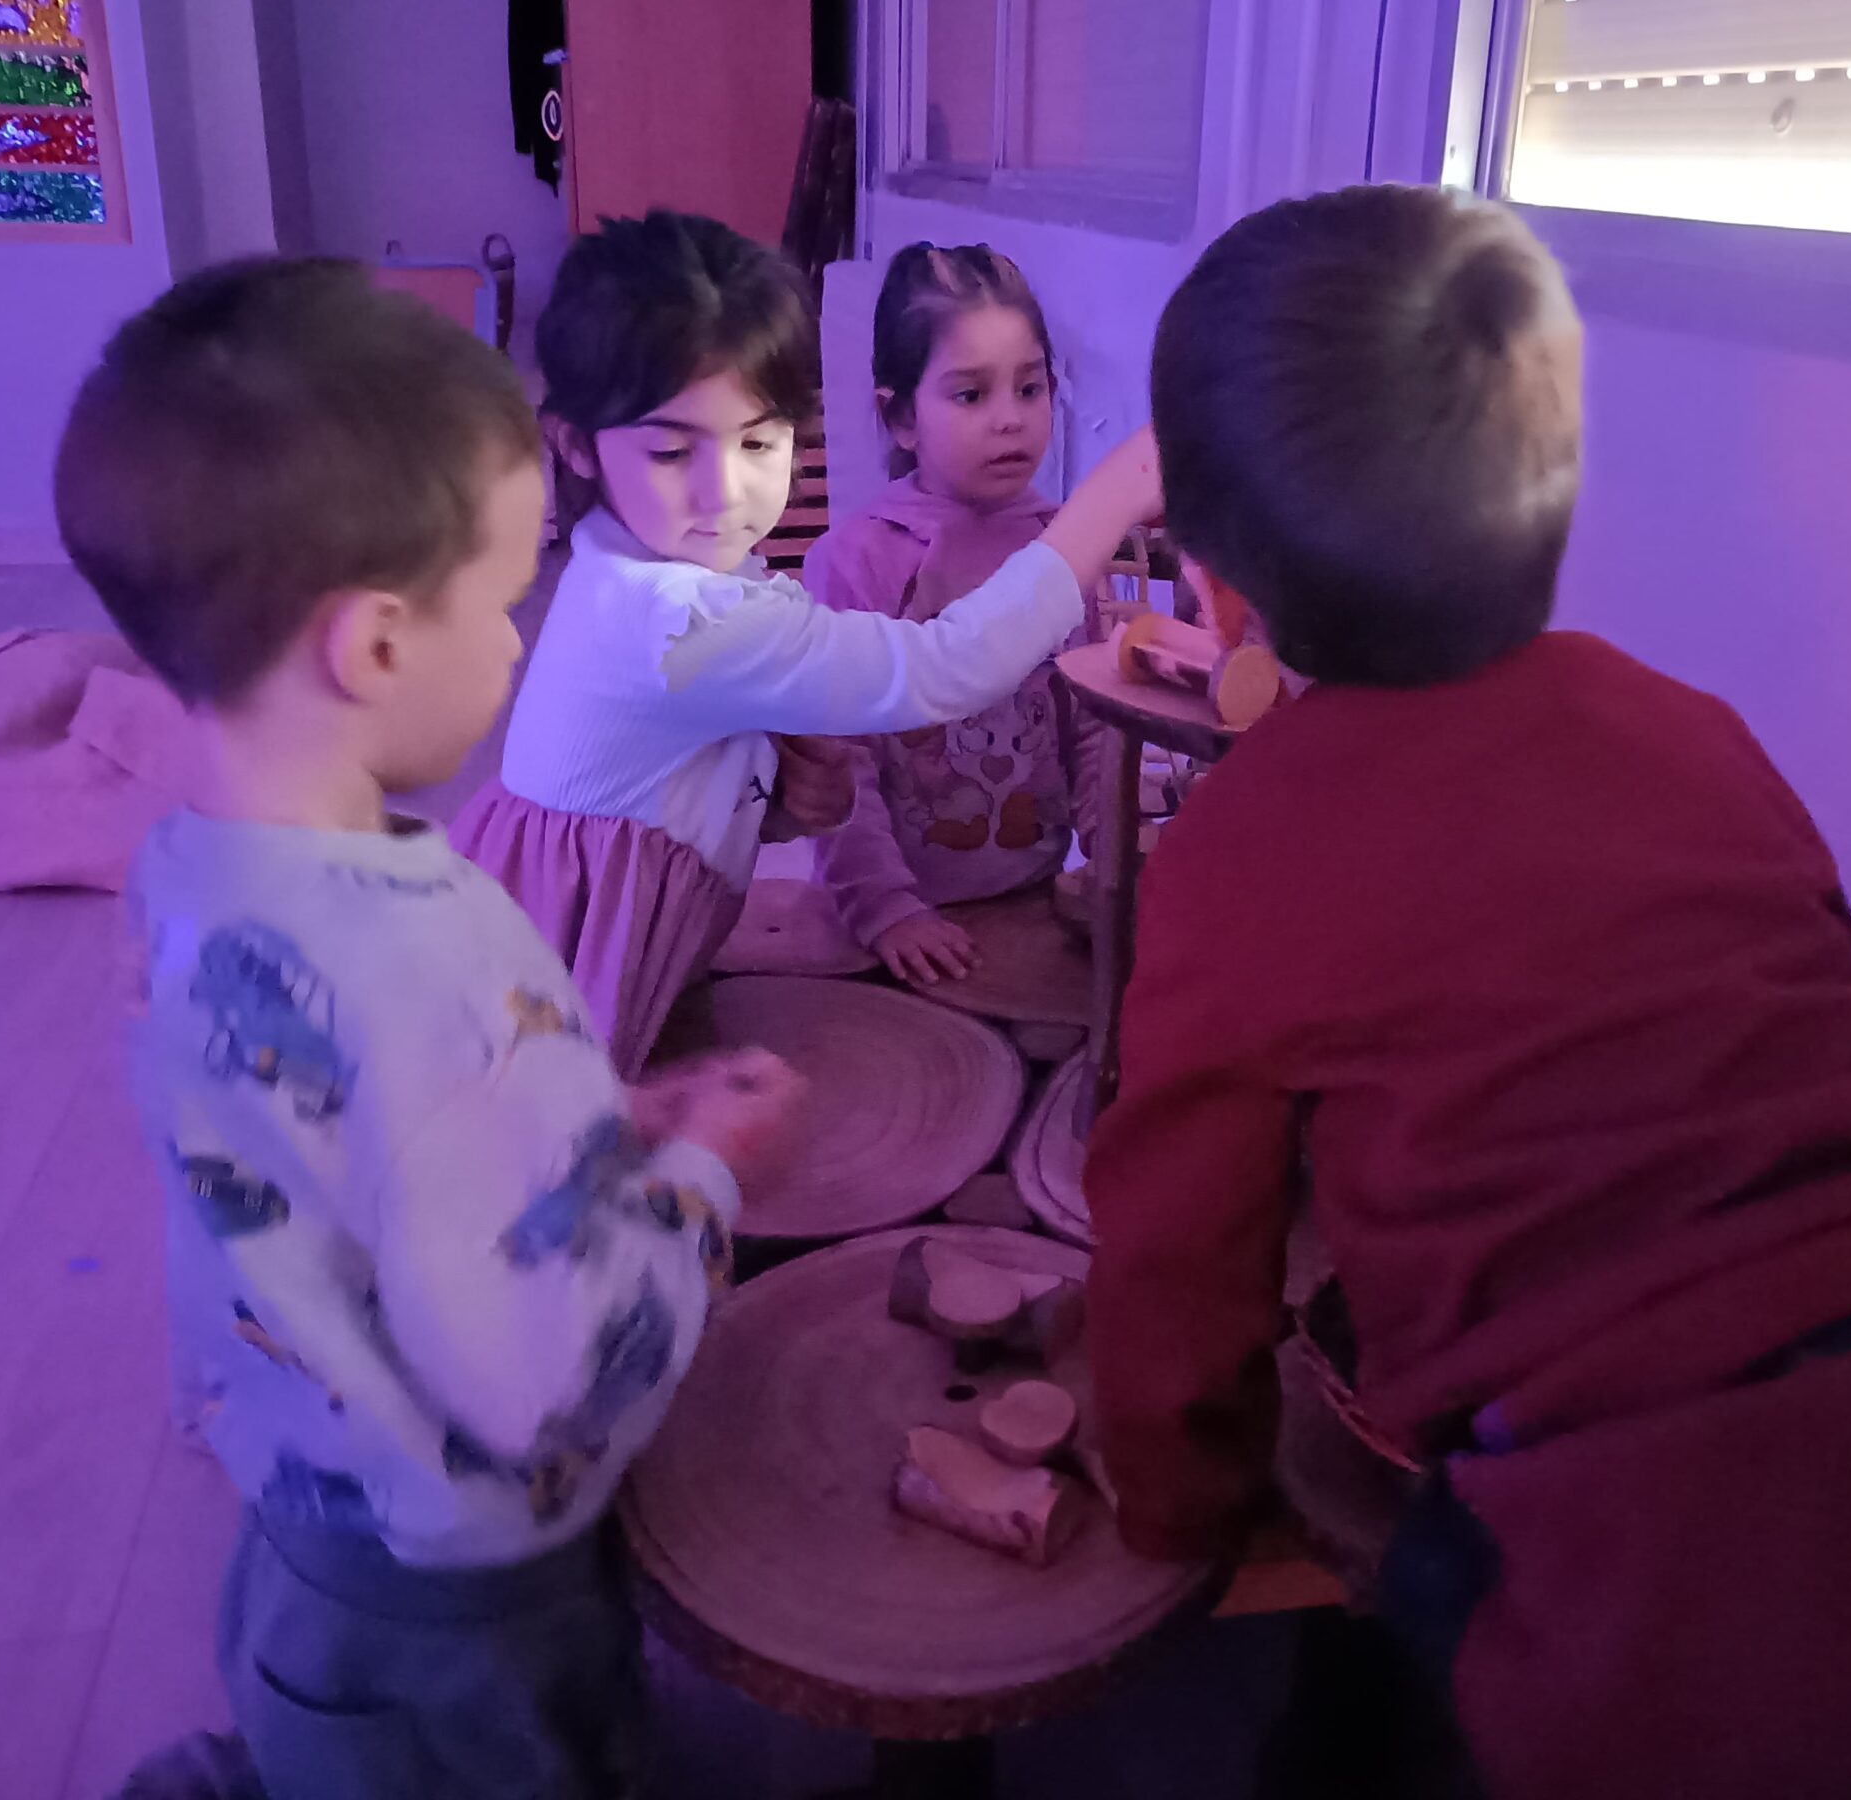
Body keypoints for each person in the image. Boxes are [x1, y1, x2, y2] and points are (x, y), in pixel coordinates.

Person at [1084, 185, 1851, 1799]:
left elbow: (1176, 1260)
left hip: (1692, 1597)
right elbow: (1790, 1001)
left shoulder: (1241, 840)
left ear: (1214, 589)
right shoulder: (1690, 725)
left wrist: (1179, 1506)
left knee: (1373, 1703)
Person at [56, 256, 801, 1799]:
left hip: (303, 1518)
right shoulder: (433, 964)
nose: (523, 641)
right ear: (378, 647)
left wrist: (599, 1123)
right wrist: (709, 1174)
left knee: (324, 1743)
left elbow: (343, 1146)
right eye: (507, 595)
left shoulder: (187, 871)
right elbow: (555, 1373)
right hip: (469, 1595)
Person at [451, 213, 1162, 1069]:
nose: (725, 491)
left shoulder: (663, 571)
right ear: (576, 445)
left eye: (757, 440)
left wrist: (774, 798)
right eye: (672, 452)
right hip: (555, 975)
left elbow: (668, 783)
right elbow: (947, 667)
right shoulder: (679, 613)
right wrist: (1114, 496)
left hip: (596, 940)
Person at [800, 243, 1104, 987]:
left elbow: (1096, 728)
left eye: (1030, 389)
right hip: (885, 928)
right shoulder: (853, 562)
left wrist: (1116, 858)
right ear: (901, 416)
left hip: (1035, 899)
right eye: (971, 396)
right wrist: (885, 908)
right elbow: (838, 760)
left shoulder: (1064, 548)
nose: (1010, 420)